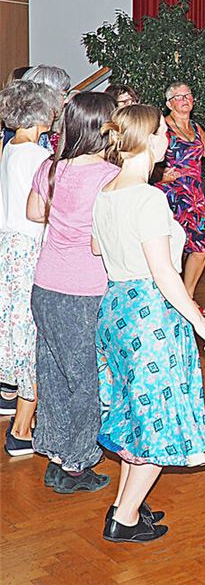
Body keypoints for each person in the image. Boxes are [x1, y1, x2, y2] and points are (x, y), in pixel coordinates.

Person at [92, 104, 205, 543]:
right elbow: (165, 273)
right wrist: (200, 323)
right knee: (158, 417)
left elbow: (96, 246)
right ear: (148, 141)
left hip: (116, 308)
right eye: (164, 132)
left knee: (136, 414)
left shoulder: (107, 190)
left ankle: (122, 508)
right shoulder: (147, 197)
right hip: (149, 314)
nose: (170, 138)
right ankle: (125, 518)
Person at [25, 92, 119, 493]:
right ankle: (76, 463)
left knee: (53, 372)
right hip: (85, 290)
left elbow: (33, 212)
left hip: (45, 284)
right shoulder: (108, 177)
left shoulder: (51, 167)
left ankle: (56, 453)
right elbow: (106, 239)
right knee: (86, 379)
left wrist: (64, 218)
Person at [0, 80, 61, 456]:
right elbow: (47, 208)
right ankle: (22, 429)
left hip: (10, 245)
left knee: (19, 327)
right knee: (33, 335)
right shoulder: (38, 157)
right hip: (29, 246)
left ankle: (19, 415)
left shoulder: (11, 147)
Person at [156, 82, 205, 312]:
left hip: (194, 195)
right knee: (168, 250)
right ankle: (166, 299)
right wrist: (161, 175)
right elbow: (144, 158)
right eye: (178, 97)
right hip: (169, 195)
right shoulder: (162, 128)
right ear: (169, 103)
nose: (185, 100)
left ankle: (187, 298)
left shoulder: (196, 127)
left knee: (202, 247)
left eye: (188, 95)